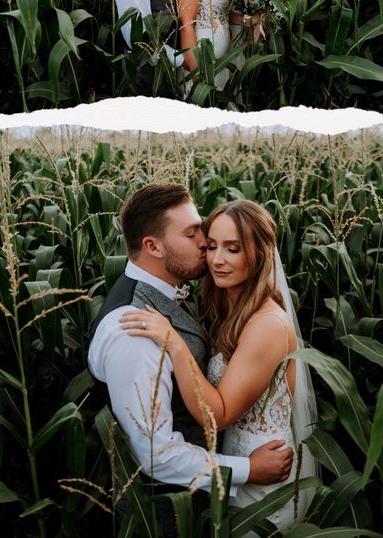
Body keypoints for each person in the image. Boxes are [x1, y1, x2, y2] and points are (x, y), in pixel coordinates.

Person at [87, 185, 294, 536]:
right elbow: (157, 454)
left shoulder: (167, 301)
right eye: (194, 234)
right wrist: (246, 470)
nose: (205, 245)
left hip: (215, 495)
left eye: (206, 233)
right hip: (164, 513)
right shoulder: (134, 332)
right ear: (153, 246)